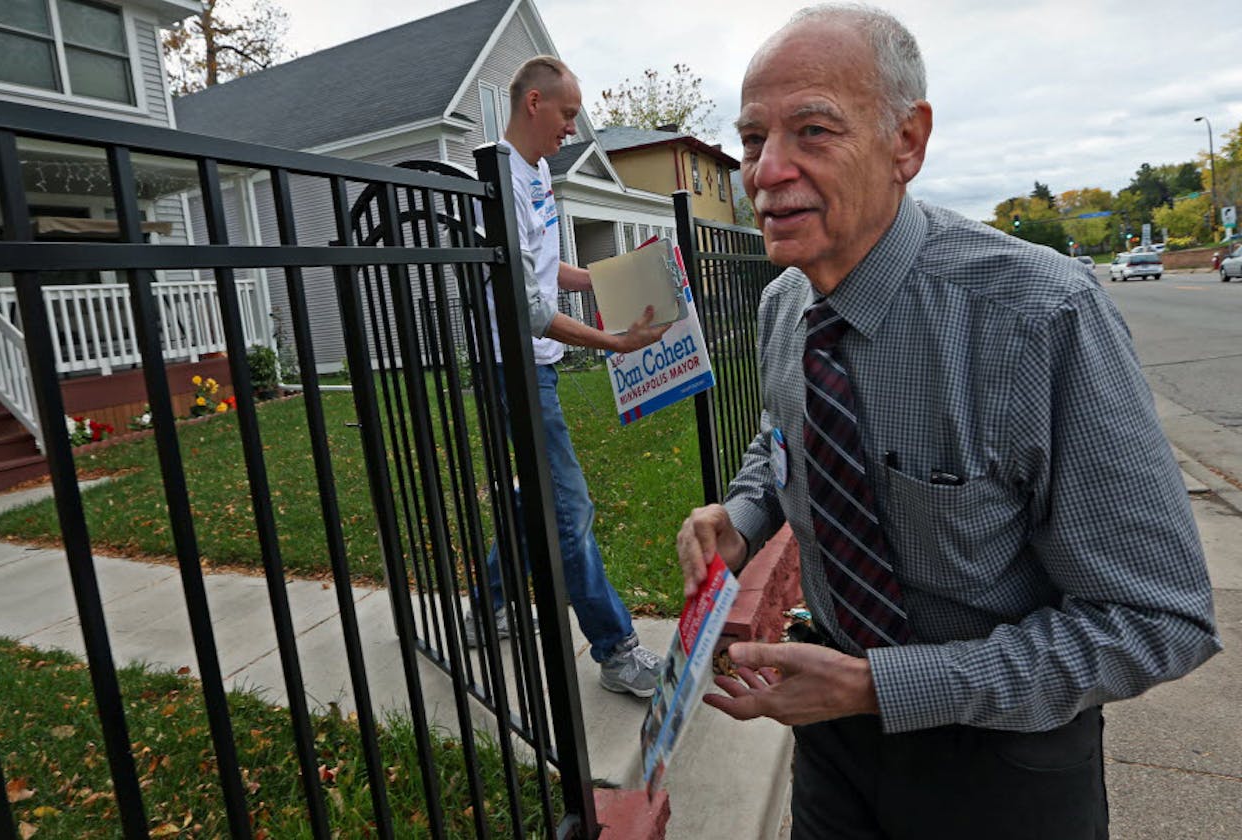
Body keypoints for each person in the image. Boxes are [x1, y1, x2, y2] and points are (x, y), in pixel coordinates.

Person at [673, 6, 1221, 837]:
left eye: (813, 131)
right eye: (753, 140)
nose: (766, 171)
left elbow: (1159, 620)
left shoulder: (1041, 316)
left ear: (907, 143)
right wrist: (741, 517)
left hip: (1003, 763)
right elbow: (783, 432)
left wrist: (878, 686)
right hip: (830, 736)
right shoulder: (784, 301)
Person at [467, 55, 669, 697]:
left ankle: (486, 611)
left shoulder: (535, 175)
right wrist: (615, 342)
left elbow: (548, 270)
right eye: (567, 115)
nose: (572, 130)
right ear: (533, 102)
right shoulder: (499, 177)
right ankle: (616, 652)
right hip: (514, 370)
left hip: (540, 371)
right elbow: (527, 309)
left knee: (538, 501)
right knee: (570, 508)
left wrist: (616, 276)